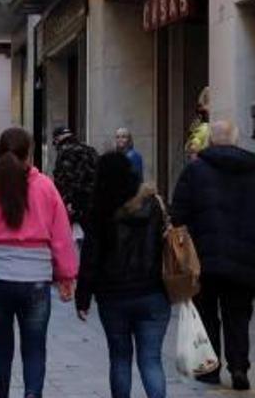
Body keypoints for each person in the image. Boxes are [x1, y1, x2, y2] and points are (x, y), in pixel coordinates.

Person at [0, 128, 78, 398]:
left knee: (1, 349)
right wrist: (66, 275)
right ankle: (32, 394)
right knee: (35, 348)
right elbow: (61, 235)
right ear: (30, 154)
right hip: (35, 280)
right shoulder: (46, 187)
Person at [170, 120, 255, 390]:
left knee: (207, 312)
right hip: (245, 259)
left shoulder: (194, 172)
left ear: (211, 141)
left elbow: (178, 214)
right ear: (236, 140)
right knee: (239, 315)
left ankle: (211, 367)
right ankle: (239, 366)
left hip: (206, 258)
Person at [76, 152, 168, 398]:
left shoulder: (100, 209)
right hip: (153, 291)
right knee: (152, 360)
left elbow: (91, 257)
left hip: (113, 295)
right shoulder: (153, 204)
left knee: (119, 358)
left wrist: (83, 296)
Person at [52, 126, 98, 247]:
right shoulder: (90, 150)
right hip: (93, 201)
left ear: (58, 139)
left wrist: (67, 202)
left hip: (76, 204)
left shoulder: (65, 151)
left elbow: (65, 181)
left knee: (73, 242)